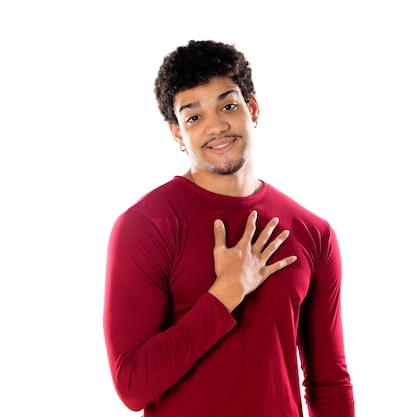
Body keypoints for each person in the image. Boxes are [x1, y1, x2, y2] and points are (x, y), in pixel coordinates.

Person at [103, 40, 355, 417]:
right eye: (193, 117)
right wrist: (224, 295)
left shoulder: (313, 232)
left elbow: (328, 382)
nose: (217, 126)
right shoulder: (146, 226)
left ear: (251, 108)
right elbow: (132, 386)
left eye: (228, 106)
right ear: (177, 133)